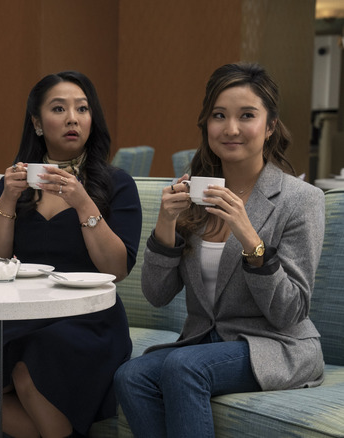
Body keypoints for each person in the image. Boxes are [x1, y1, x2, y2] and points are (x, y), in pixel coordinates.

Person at [113, 63, 325, 438]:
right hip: (206, 341)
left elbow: (290, 311)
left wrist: (249, 237)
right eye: (219, 116)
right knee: (131, 376)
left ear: (270, 126)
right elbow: (157, 295)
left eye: (247, 116)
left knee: (183, 367)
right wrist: (165, 224)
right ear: (206, 124)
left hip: (276, 345)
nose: (231, 129)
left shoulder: (300, 200)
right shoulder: (195, 195)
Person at [0, 71, 141, 437]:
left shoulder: (116, 184)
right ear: (37, 123)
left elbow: (117, 268)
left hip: (89, 319)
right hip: (24, 313)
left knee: (29, 371)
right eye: (59, 109)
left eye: (82, 109)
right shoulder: (14, 184)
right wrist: (7, 196)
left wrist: (82, 200)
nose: (73, 118)